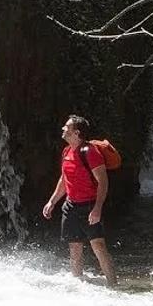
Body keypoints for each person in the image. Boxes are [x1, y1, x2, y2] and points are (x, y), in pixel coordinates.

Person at [42, 114, 117, 286]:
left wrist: (97, 208)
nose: (63, 129)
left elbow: (103, 182)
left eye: (66, 127)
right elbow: (64, 179)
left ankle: (114, 285)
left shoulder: (90, 152)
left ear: (76, 133)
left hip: (89, 205)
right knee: (74, 247)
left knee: (98, 246)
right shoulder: (66, 151)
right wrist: (52, 202)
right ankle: (78, 284)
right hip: (71, 206)